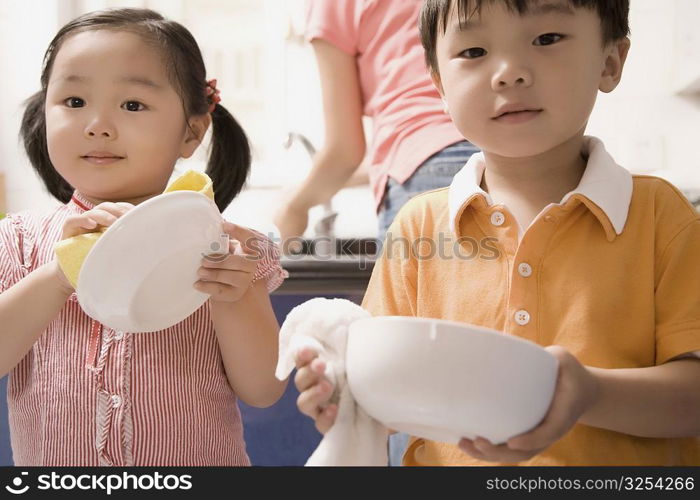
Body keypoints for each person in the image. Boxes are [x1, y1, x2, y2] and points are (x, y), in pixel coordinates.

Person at [293, 0, 700, 466]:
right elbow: (387, 393)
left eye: (546, 39)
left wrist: (590, 394)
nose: (508, 73)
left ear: (610, 62)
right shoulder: (419, 226)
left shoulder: (660, 216)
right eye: (473, 51)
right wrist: (346, 400)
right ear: (439, 85)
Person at [0, 8, 287, 466]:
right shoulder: (20, 241)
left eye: (132, 105)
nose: (97, 124)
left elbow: (263, 390)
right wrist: (59, 276)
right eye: (74, 102)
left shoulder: (231, 247)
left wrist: (235, 296)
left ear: (191, 130)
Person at [273, 0, 479, 246]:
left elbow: (344, 153)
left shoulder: (331, 5)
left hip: (422, 176)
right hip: (513, 154)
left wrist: (294, 206)